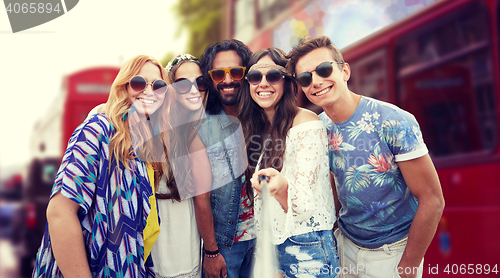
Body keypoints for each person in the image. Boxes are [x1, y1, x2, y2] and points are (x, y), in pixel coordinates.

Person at [286, 36, 445, 278]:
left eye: (324, 70)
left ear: (345, 71)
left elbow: (432, 200)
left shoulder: (394, 121)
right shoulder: (317, 129)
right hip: (345, 248)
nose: (316, 82)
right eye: (306, 78)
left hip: (392, 253)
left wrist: (409, 264)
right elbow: (332, 187)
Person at [32, 55, 170, 277]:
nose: (149, 91)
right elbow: (60, 213)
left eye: (159, 85)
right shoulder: (97, 129)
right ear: (123, 87)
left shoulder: (142, 147)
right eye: (139, 83)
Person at [242, 48, 338, 278]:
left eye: (273, 76)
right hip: (270, 244)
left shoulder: (306, 123)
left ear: (286, 81)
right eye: (255, 77)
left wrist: (281, 186)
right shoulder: (258, 128)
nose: (263, 83)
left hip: (307, 244)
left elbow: (306, 204)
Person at [195, 39, 254, 278]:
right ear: (210, 78)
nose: (228, 80)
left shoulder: (261, 116)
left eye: (236, 72)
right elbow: (201, 197)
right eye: (219, 74)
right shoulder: (202, 126)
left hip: (265, 240)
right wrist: (211, 252)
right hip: (226, 245)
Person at [150, 53, 210, 278]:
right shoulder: (154, 124)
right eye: (183, 84)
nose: (194, 89)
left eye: (200, 82)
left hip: (187, 240)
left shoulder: (200, 126)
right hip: (158, 244)